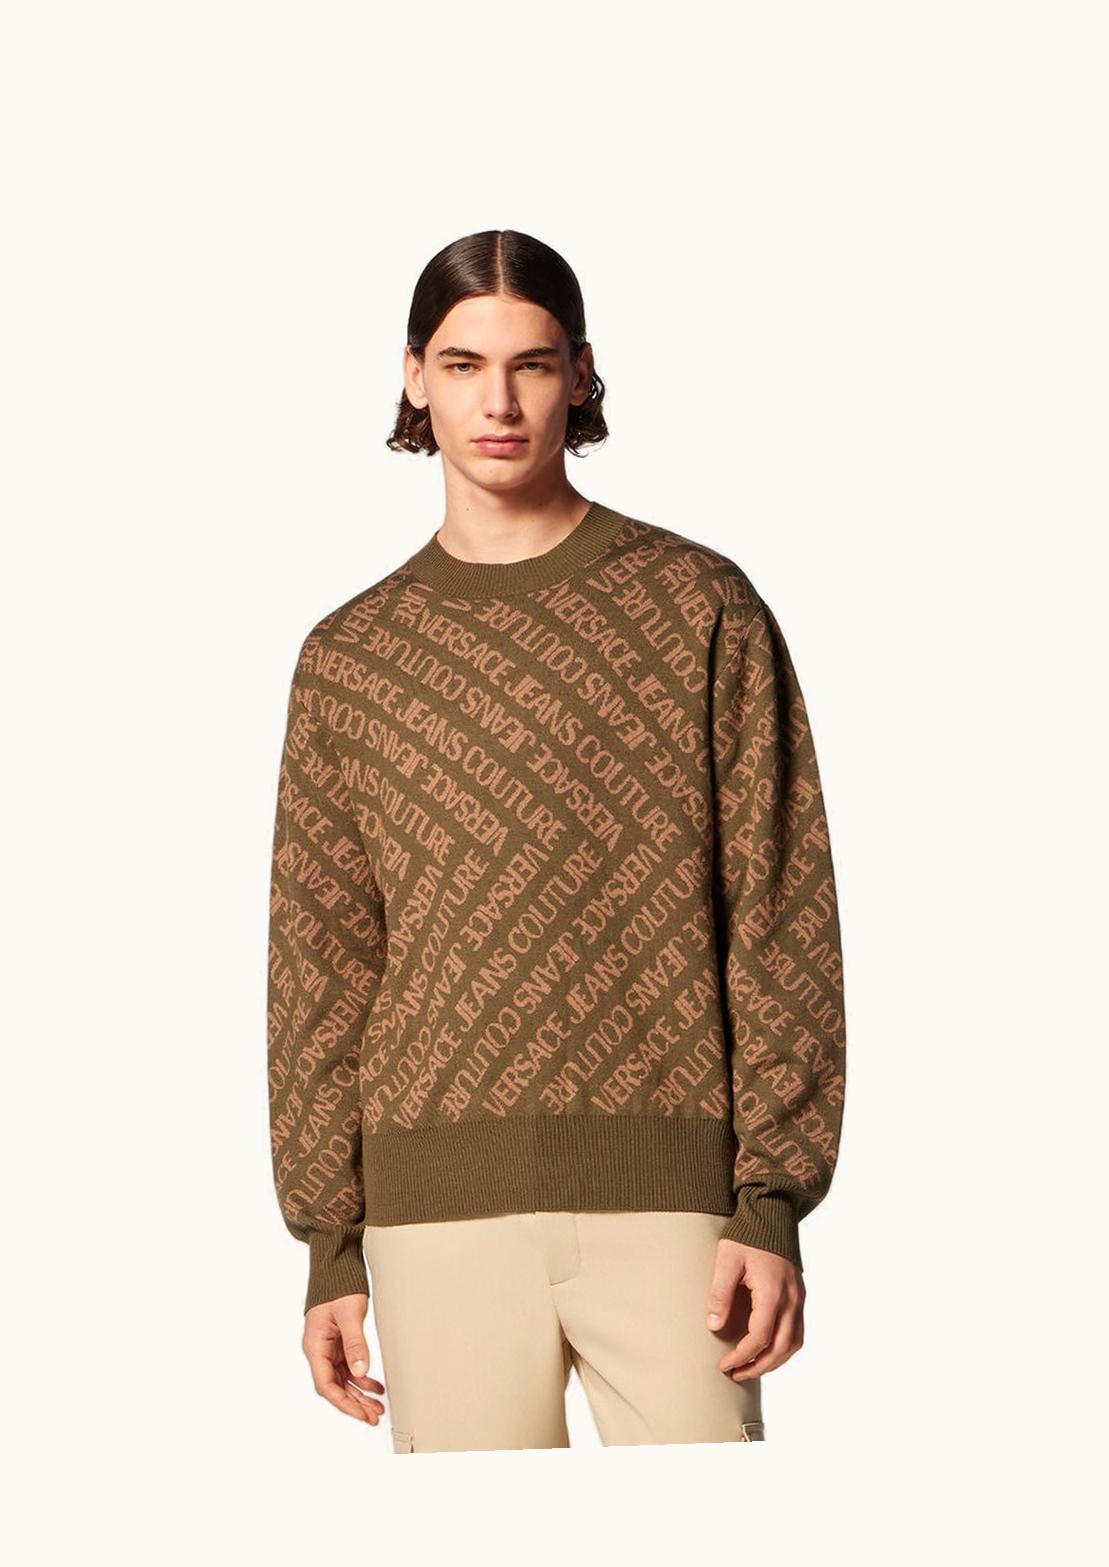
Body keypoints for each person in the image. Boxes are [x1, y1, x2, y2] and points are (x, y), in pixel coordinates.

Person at [266, 229, 847, 1452]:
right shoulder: (350, 656)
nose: (498, 401)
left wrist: (770, 1199)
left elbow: (777, 908)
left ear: (579, 374)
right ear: (413, 377)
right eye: (462, 364)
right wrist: (330, 1243)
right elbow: (322, 967)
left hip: (675, 1206)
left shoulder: (699, 604)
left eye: (530, 364)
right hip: (433, 1218)